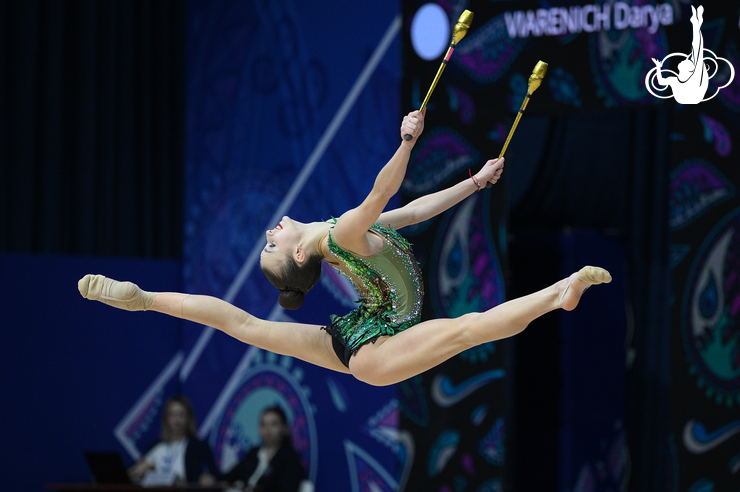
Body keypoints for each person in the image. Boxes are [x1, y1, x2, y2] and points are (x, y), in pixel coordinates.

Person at [78, 110, 611, 387]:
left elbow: (413, 212)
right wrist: (407, 141)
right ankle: (559, 292)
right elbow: (383, 194)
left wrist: (473, 183)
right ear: (298, 257)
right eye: (272, 247)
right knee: (466, 329)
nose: (269, 234)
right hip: (376, 348)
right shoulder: (340, 237)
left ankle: (143, 299)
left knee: (247, 328)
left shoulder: (340, 236)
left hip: (360, 333)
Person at [128, 395, 221, 485]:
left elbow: (215, 476)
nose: (177, 420)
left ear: (188, 418)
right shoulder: (157, 446)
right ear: (166, 418)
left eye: (181, 414)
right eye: (172, 415)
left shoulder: (199, 446)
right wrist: (138, 474)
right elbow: (135, 472)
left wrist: (206, 479)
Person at [218, 407, 306, 492]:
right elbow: (229, 476)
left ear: (284, 428)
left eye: (273, 424)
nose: (267, 429)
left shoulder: (290, 457)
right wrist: (214, 479)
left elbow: (287, 489)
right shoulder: (254, 453)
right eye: (263, 424)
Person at [651, 5, 708, 104]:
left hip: (689, 99)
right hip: (685, 99)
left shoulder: (685, 80)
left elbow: (697, 46)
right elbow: (697, 47)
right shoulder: (677, 81)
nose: (684, 61)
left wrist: (696, 25)